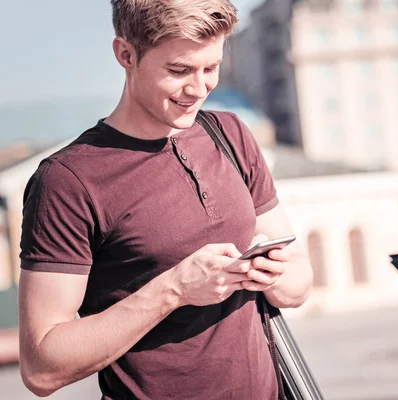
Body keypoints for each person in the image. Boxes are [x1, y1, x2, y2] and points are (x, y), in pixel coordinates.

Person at [17, 1, 313, 399]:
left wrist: (272, 274)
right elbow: (41, 368)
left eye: (211, 68)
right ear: (125, 54)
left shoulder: (230, 134)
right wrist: (173, 289)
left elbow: (298, 283)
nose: (199, 89)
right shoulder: (67, 181)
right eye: (178, 71)